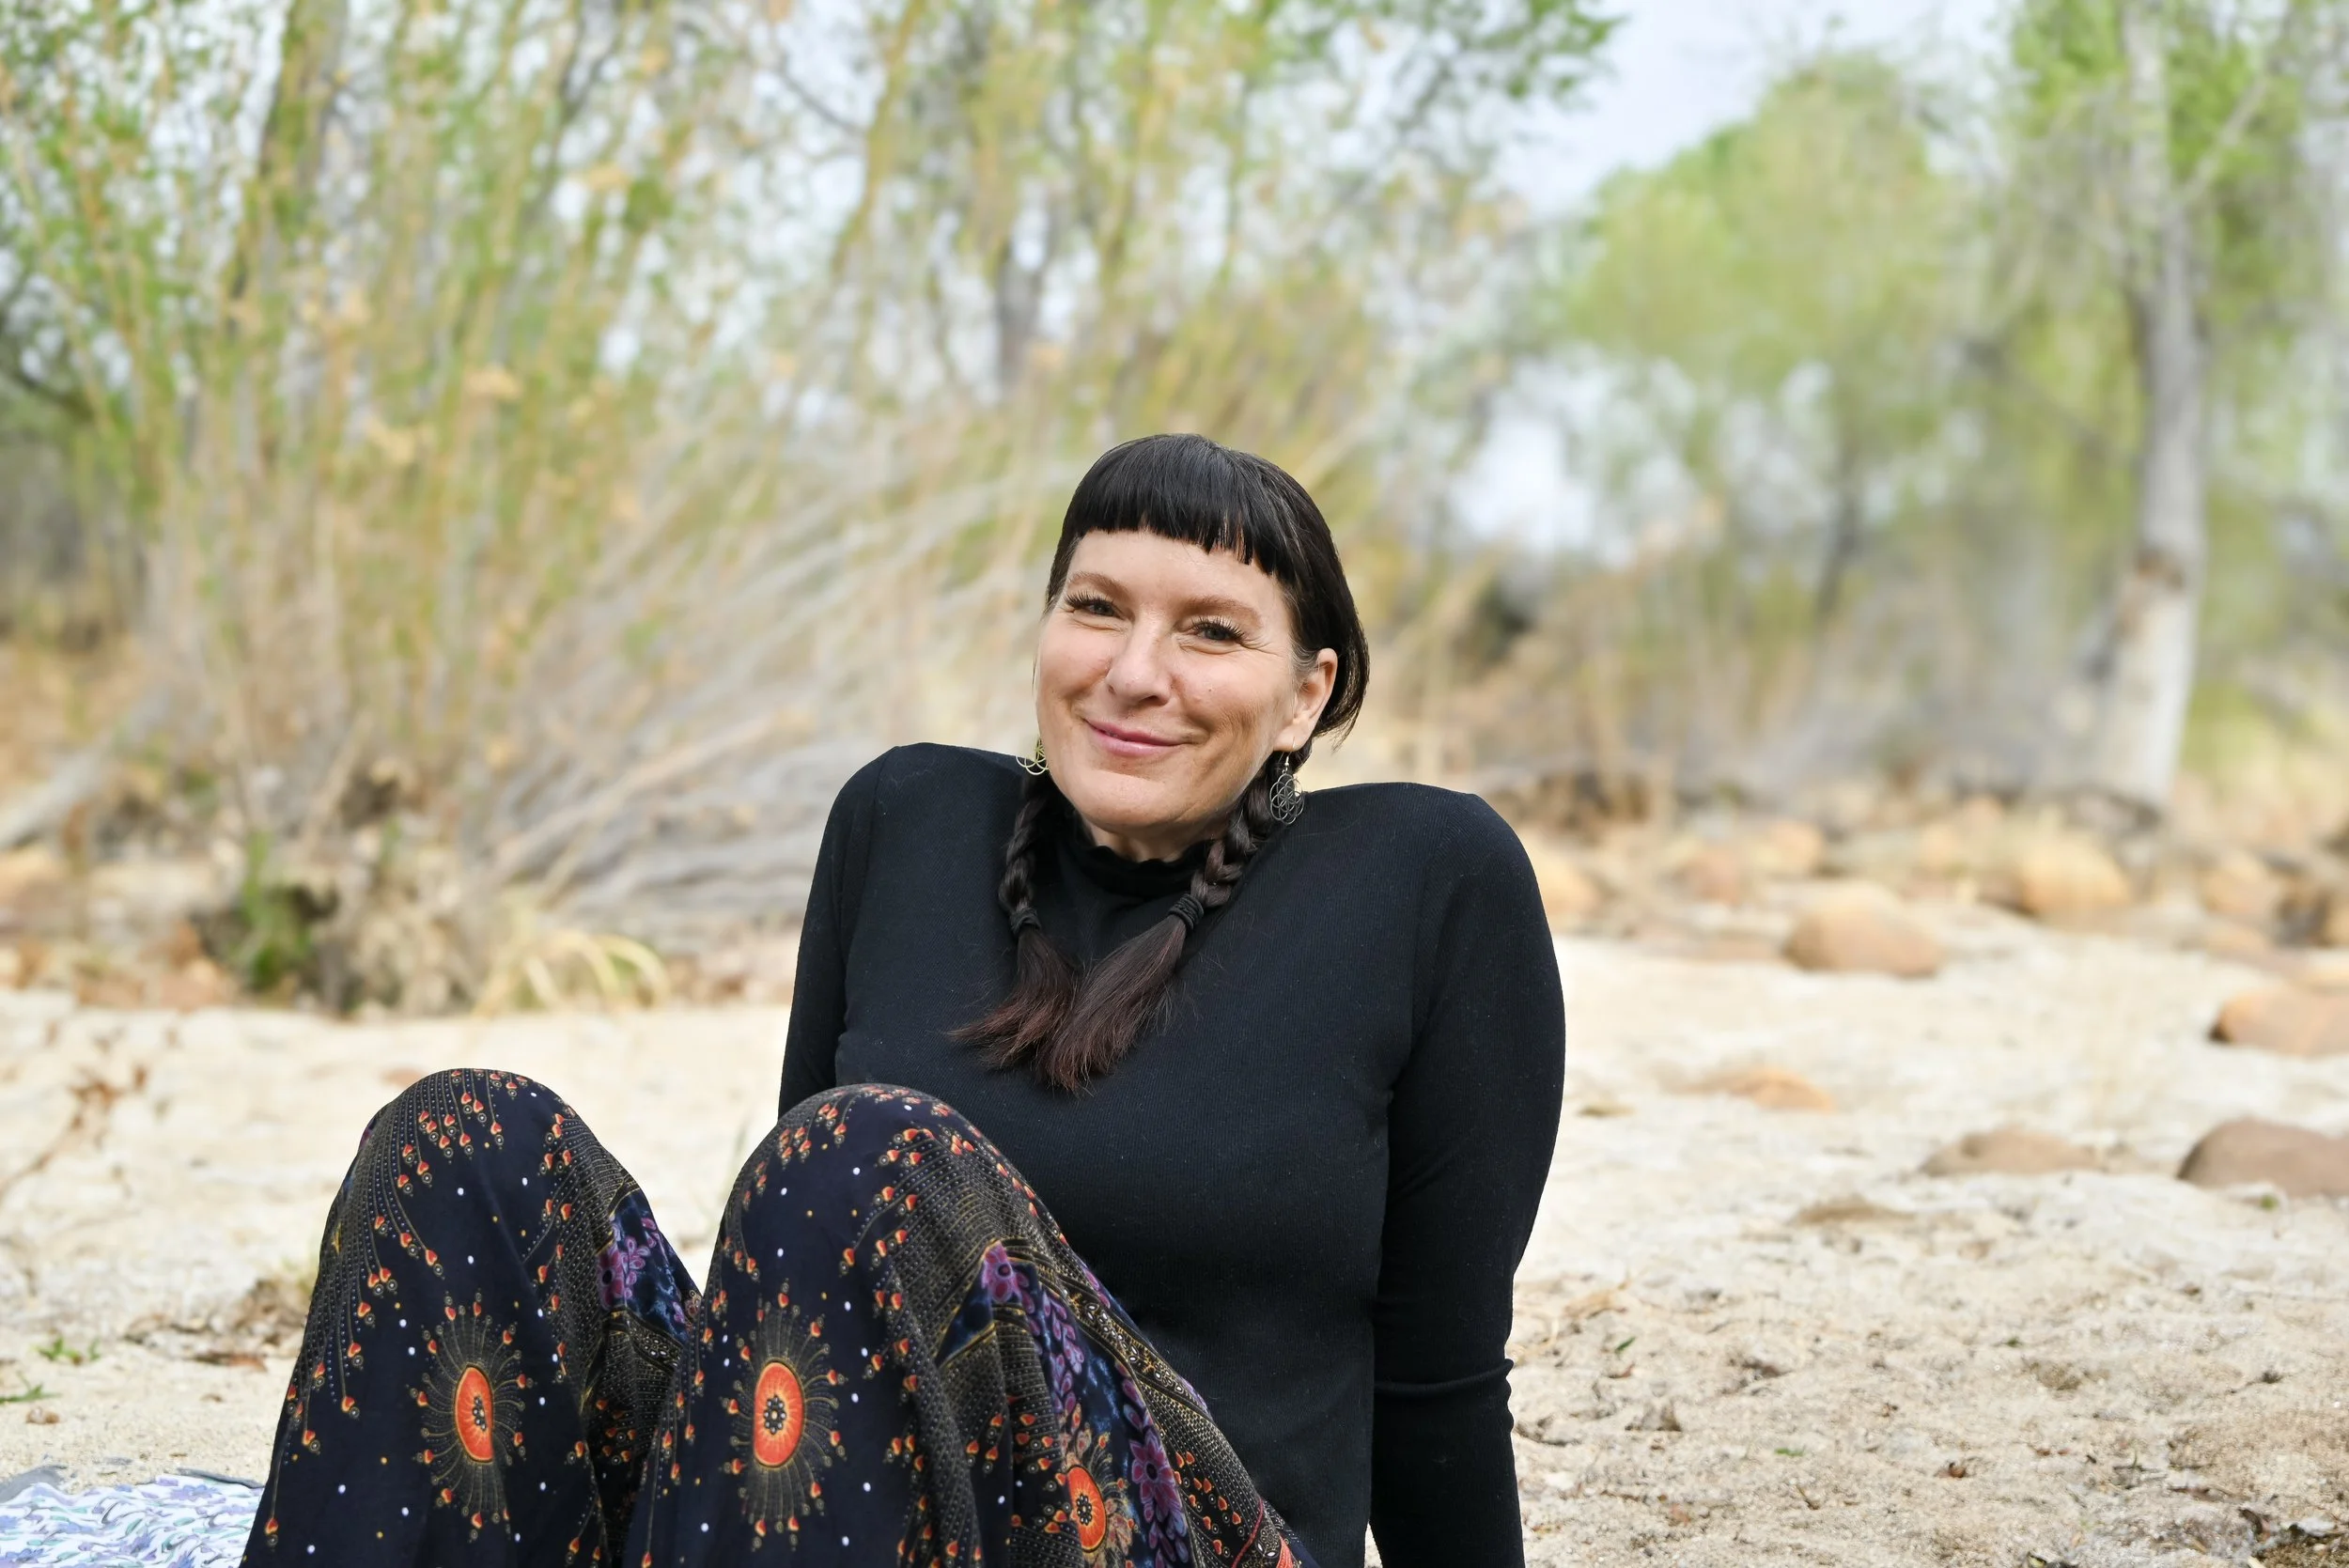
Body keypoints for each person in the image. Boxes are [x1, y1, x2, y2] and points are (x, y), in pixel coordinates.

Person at [242, 433, 1564, 1568]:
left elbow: (1441, 1374)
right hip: (876, 1508)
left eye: (1210, 631)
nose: (1134, 672)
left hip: (1192, 1533)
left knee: (868, 1157)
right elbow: (790, 1278)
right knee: (465, 1140)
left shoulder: (1423, 877)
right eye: (1096, 608)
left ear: (1307, 693)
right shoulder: (906, 816)